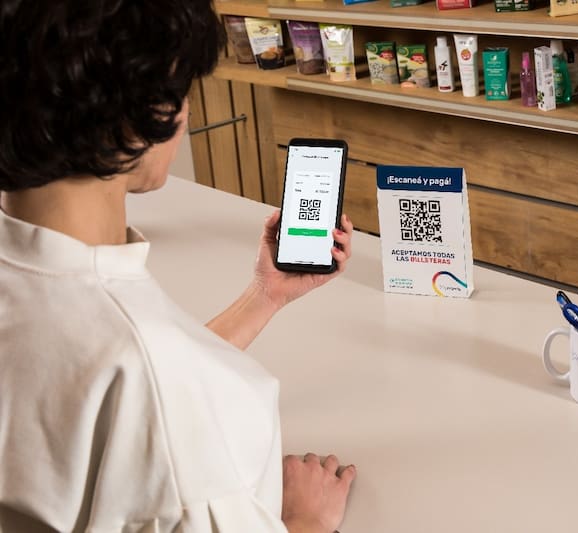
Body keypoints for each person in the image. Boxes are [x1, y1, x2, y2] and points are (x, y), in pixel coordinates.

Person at [0, 1, 356, 532]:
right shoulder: (168, 386)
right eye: (182, 89)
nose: (185, 114)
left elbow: (107, 371)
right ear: (140, 110)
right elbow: (155, 386)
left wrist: (264, 295)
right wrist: (303, 520)